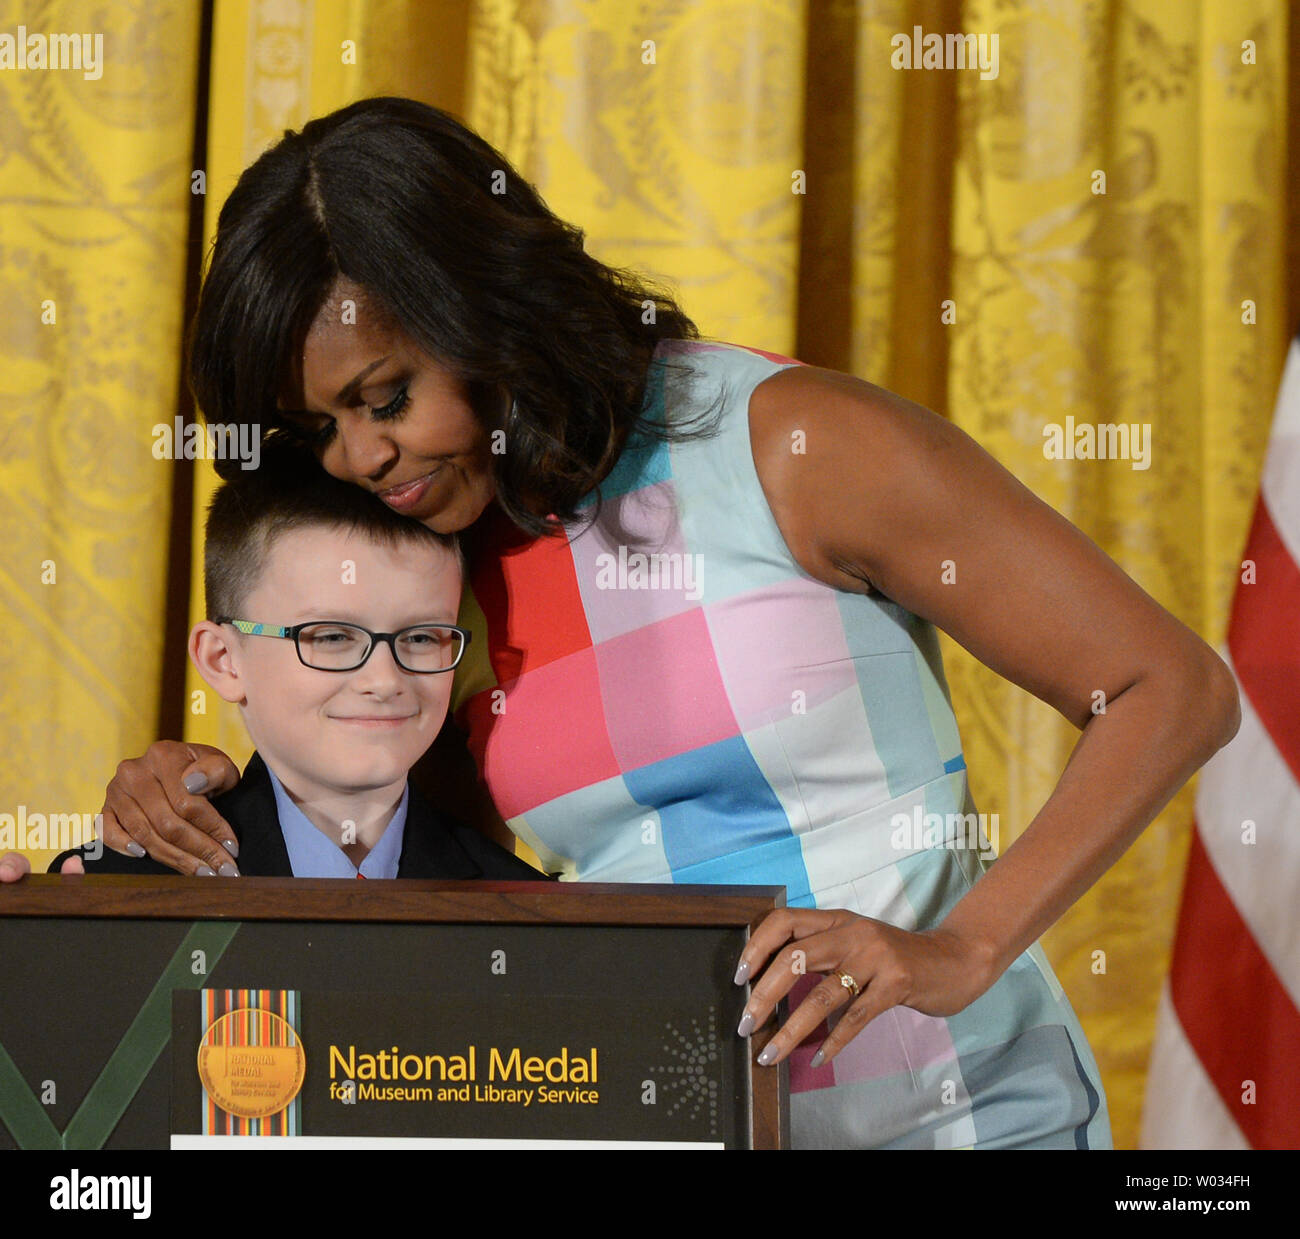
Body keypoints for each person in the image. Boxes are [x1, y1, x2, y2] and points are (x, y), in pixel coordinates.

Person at [87, 97, 1239, 1148]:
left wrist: (961, 947)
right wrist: (206, 797)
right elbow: (403, 858)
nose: (360, 456)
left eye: (385, 398)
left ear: (484, 307)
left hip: (971, 1120)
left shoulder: (793, 445)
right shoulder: (433, 567)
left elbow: (1166, 686)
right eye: (319, 425)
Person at [2, 438, 542, 882]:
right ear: (223, 660)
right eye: (330, 637)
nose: (384, 679)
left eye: (423, 637)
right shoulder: (111, 890)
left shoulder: (523, 909)